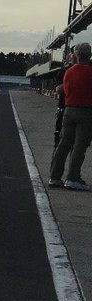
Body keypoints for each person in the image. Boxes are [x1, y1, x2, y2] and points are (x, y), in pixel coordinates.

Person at [50, 42, 92, 190]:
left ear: (76, 55)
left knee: (63, 144)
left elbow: (65, 90)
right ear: (90, 55)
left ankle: (55, 177)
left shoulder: (68, 72)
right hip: (86, 112)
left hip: (69, 110)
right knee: (79, 147)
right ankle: (73, 178)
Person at [54, 47, 77, 146]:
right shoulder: (65, 71)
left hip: (84, 110)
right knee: (60, 140)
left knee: (78, 145)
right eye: (72, 54)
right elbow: (58, 89)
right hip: (65, 107)